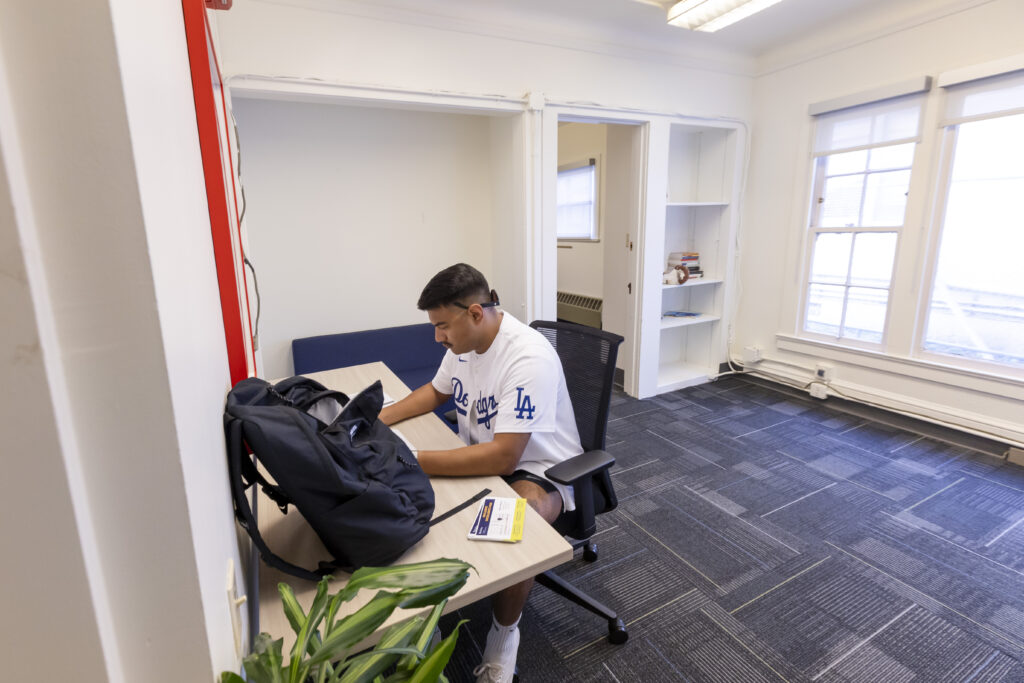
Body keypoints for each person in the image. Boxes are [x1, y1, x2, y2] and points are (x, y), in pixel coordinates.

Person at [379, 263, 583, 683]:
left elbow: (505, 459)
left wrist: (413, 457)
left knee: (518, 519)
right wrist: (380, 419)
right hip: (483, 454)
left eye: (441, 326)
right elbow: (434, 393)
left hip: (541, 468)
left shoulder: (528, 356)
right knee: (420, 505)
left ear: (475, 313)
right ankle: (430, 615)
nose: (437, 337)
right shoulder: (464, 346)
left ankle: (503, 637)